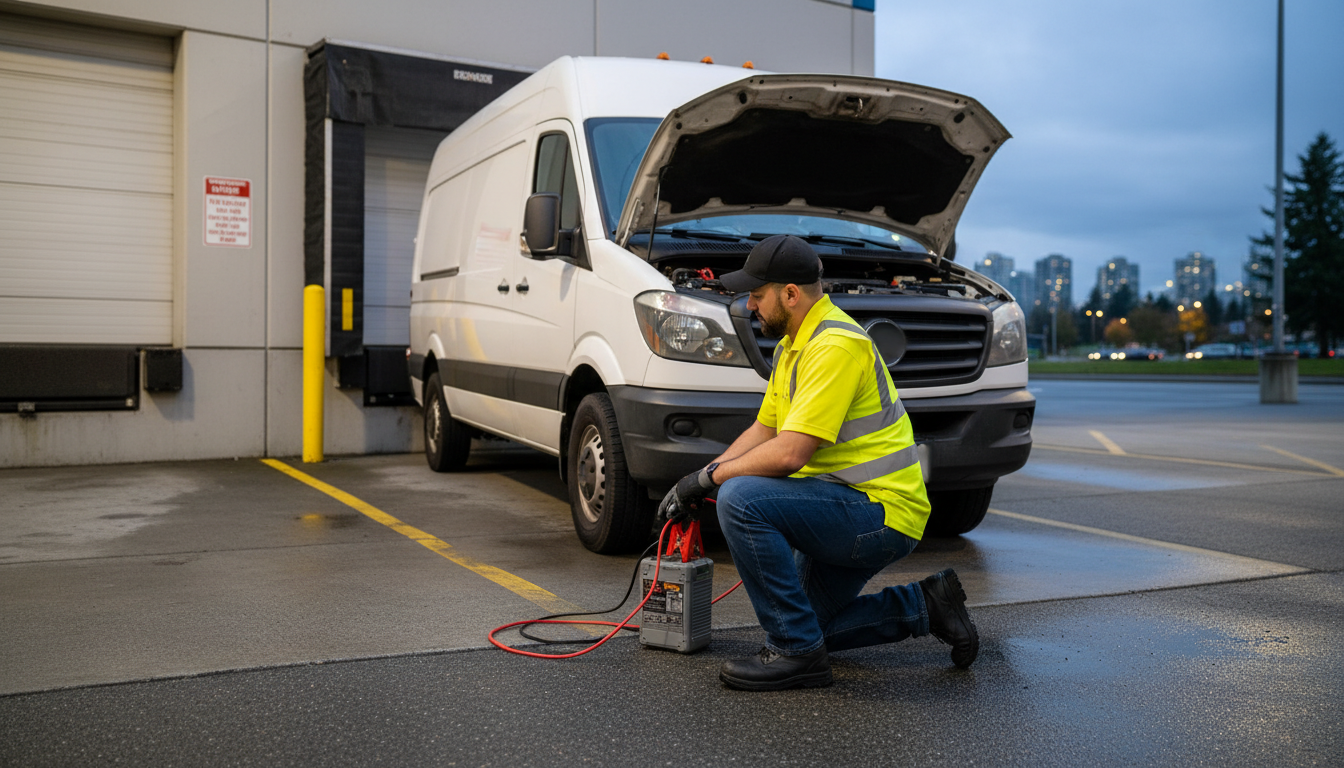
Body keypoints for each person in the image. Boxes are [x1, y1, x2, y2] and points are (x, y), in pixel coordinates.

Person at [658, 234, 978, 691]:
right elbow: (764, 431)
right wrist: (695, 480)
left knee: (741, 499)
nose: (749, 305)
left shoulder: (835, 346)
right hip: (846, 505)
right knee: (809, 625)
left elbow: (790, 454)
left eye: (757, 294)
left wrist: (714, 479)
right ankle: (928, 605)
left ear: (791, 294)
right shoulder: (795, 346)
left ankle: (796, 658)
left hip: (880, 514)